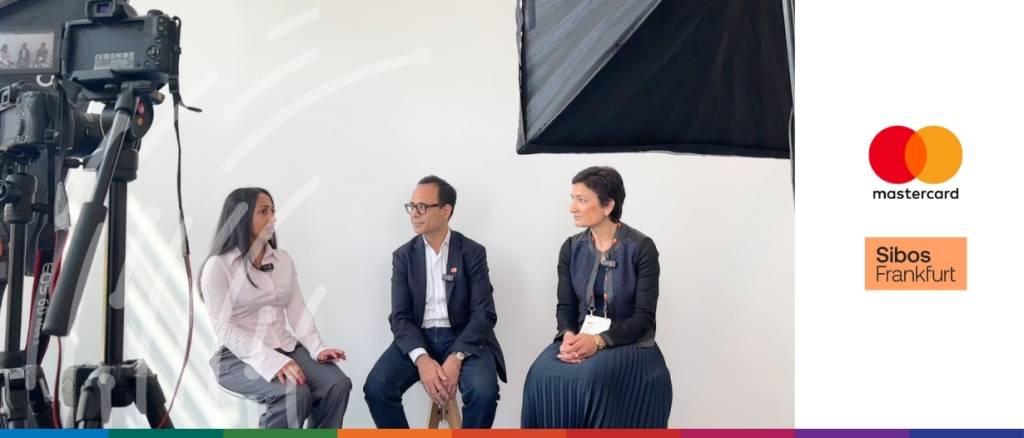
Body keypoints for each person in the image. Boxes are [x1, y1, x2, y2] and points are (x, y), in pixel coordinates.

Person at [521, 166, 672, 428]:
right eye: (573, 199)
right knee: (538, 374)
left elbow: (644, 319)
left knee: (591, 377)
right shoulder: (571, 247)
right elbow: (565, 306)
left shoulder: (641, 248)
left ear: (608, 205)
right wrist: (568, 336)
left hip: (630, 343)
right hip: (582, 338)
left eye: (581, 200)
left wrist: (599, 342)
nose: (572, 208)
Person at [199, 187, 352, 428]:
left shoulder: (283, 260)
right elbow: (224, 328)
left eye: (273, 210)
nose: (273, 218)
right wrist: (273, 362)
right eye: (263, 211)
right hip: (237, 357)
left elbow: (297, 309)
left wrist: (317, 347)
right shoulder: (218, 267)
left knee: (337, 384)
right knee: (294, 394)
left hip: (285, 346)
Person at [364, 175, 506, 428]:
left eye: (422, 207)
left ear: (445, 211)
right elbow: (400, 317)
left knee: (484, 393)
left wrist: (456, 356)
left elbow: (484, 313)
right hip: (419, 337)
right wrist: (421, 359)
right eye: (411, 206)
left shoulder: (472, 252)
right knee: (377, 388)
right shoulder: (403, 256)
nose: (414, 214)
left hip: (464, 336)